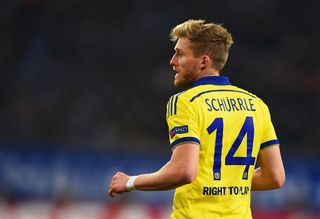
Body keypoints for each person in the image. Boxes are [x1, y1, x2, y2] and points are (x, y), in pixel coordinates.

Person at [108, 19, 285, 219]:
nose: (172, 61)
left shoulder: (186, 102)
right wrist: (226, 180)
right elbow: (275, 177)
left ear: (203, 61)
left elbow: (183, 171)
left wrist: (130, 182)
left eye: (180, 54)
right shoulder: (257, 105)